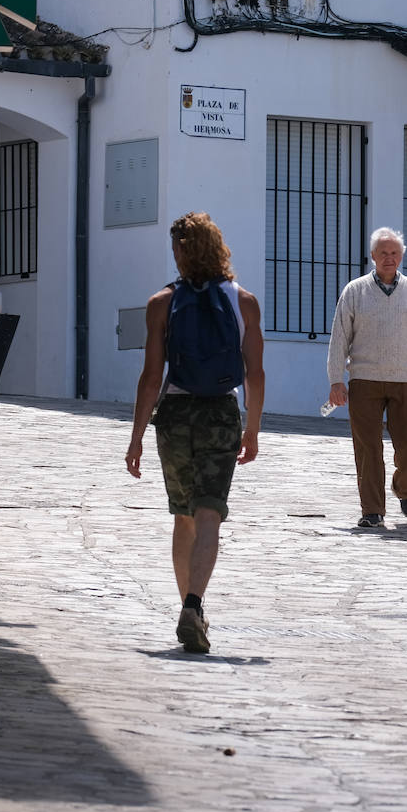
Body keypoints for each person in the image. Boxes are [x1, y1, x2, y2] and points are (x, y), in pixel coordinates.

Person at [126, 212, 265, 653]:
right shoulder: (244, 302)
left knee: (183, 514)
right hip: (222, 414)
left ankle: (188, 608)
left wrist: (136, 438)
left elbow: (151, 377)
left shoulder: (160, 303)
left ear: (182, 253)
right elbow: (255, 374)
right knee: (210, 513)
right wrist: (254, 428)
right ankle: (194, 604)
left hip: (176, 415)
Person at [326, 227, 407, 528]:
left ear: (401, 256)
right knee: (367, 448)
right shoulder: (355, 291)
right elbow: (339, 338)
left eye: (394, 253)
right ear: (373, 256)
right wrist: (335, 380)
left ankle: (405, 490)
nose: (389, 258)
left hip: (406, 380)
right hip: (364, 379)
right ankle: (372, 509)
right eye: (383, 253)